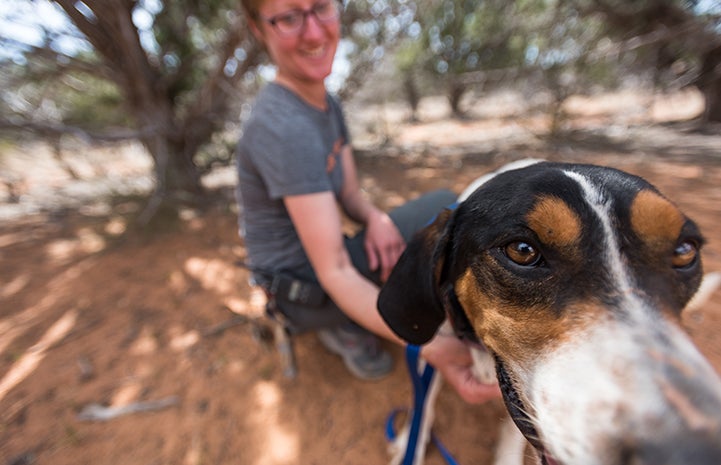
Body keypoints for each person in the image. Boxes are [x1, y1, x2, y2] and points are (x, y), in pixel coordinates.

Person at [237, 0, 501, 403]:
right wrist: (425, 344)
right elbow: (337, 269)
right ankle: (343, 322)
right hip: (299, 292)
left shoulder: (327, 105)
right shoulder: (284, 127)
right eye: (289, 17)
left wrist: (376, 218)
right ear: (259, 29)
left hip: (324, 261)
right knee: (447, 215)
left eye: (321, 8)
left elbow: (347, 193)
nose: (313, 32)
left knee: (444, 212)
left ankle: (354, 314)